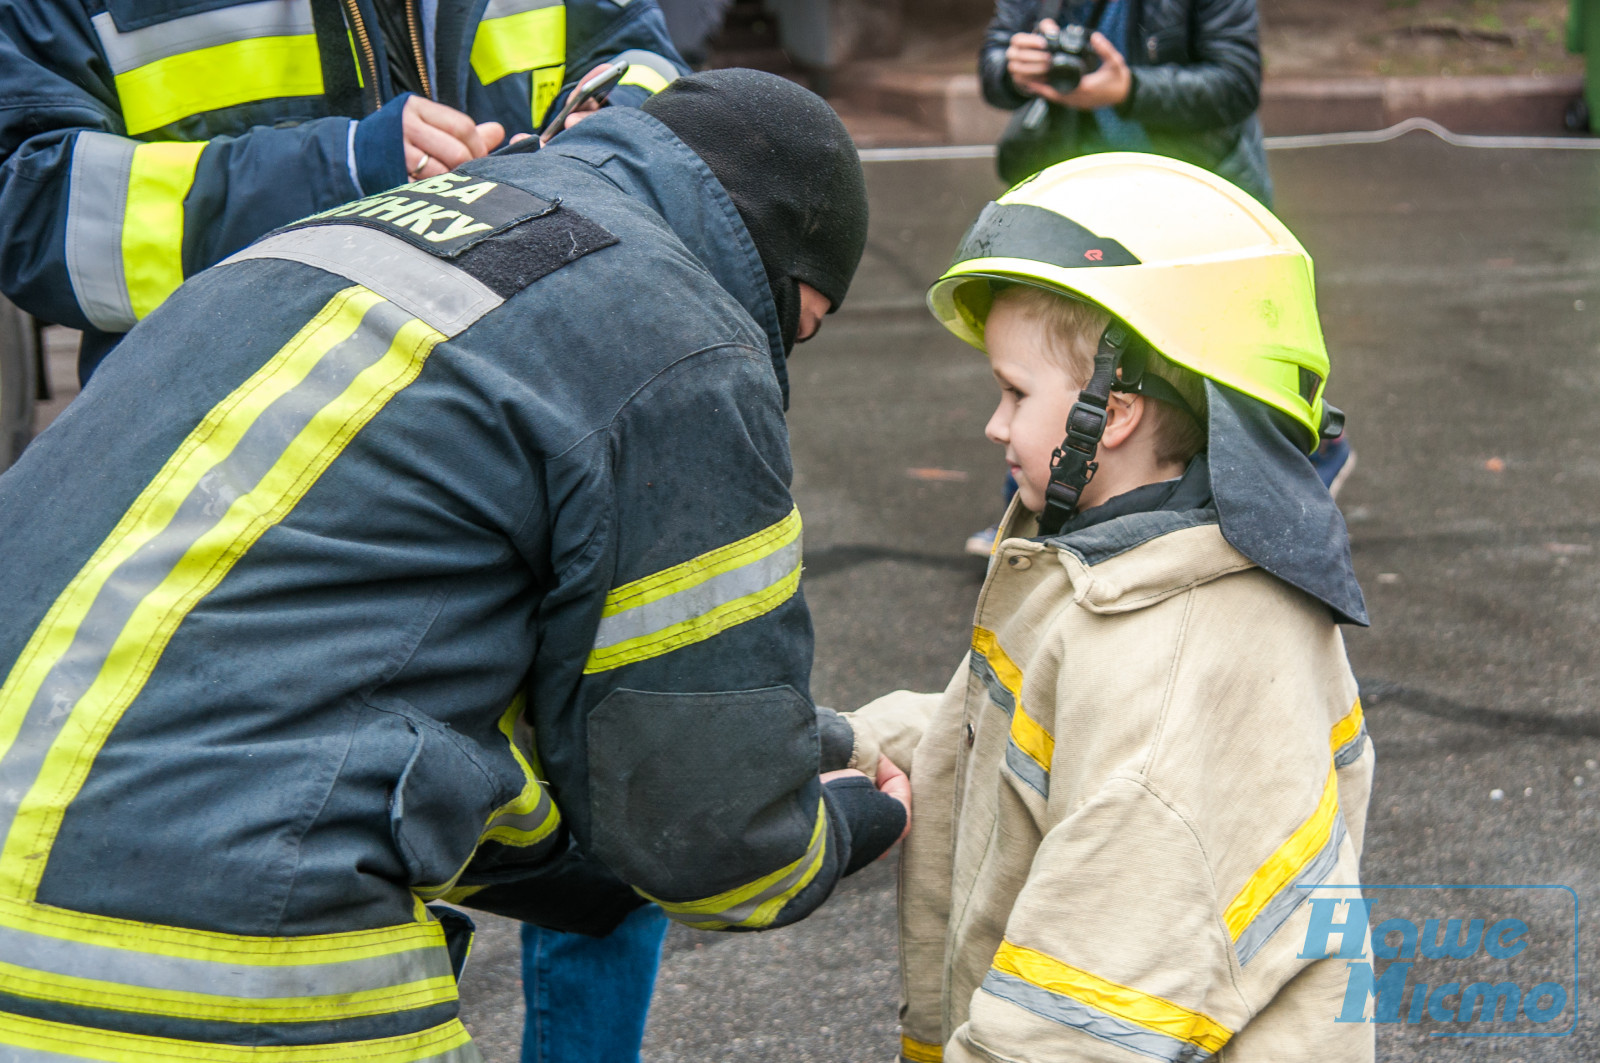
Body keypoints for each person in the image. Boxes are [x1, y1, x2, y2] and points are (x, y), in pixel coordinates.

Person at [0, 69, 910, 1061]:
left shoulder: (355, 240)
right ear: (777, 271)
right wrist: (835, 830)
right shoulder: (681, 336)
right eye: (801, 327)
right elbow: (715, 842)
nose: (782, 356)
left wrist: (793, 740)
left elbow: (350, 695)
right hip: (208, 970)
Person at [839, 153, 1376, 1062]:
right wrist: (854, 746)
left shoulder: (1180, 677)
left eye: (1014, 392)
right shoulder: (1115, 564)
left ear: (1112, 413)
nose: (996, 426)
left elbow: (1070, 1035)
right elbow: (1035, 746)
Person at [0, 0, 689, 383]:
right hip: (231, 467)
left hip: (538, 407)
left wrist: (608, 125)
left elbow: (637, 48)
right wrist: (348, 177)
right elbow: (34, 203)